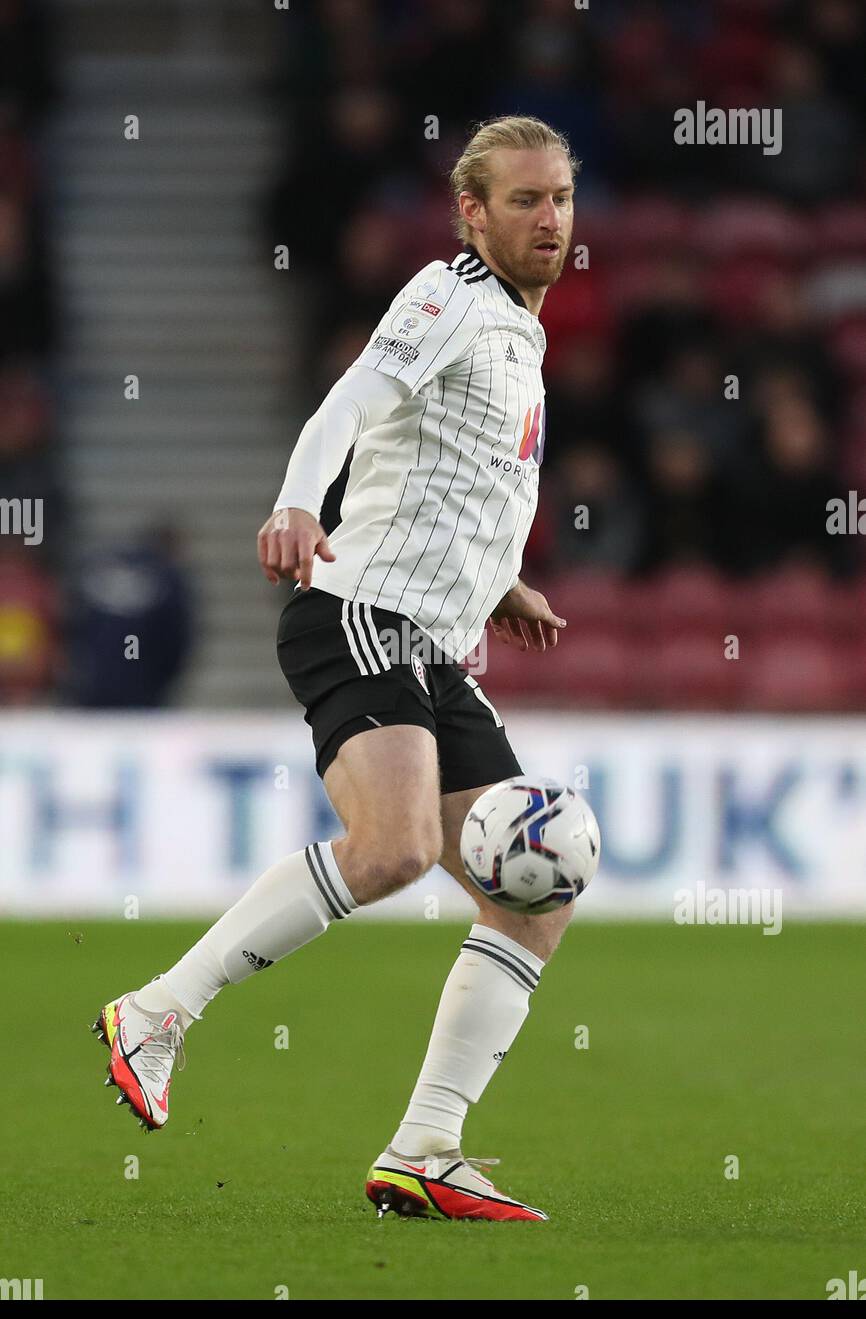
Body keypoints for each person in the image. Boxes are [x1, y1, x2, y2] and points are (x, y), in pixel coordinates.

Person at [93, 116, 578, 1222]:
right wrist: (298, 499)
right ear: (472, 212)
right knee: (395, 847)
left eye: (558, 199)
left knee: (533, 896)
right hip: (360, 614)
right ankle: (161, 1009)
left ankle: (425, 1147)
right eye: (522, 201)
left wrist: (500, 582)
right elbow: (353, 402)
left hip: (436, 645)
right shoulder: (448, 294)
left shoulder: (519, 331)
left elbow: (456, 472)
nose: (547, 219)